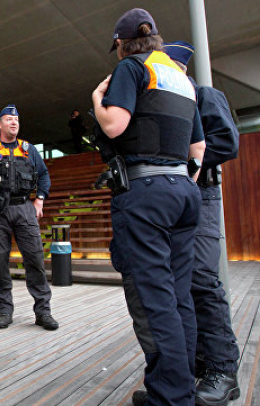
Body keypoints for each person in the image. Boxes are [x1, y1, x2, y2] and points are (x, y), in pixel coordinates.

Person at [91, 9, 206, 406]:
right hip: (184, 192)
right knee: (178, 297)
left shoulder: (131, 68)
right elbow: (199, 149)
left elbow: (115, 125)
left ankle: (170, 397)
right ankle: (180, 385)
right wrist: (177, 182)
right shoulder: (182, 79)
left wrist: (96, 100)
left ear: (122, 44)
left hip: (145, 193)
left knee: (153, 298)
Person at [165, 40, 241, 406]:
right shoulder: (165, 102)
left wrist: (186, 165)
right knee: (178, 284)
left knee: (200, 280)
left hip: (201, 194)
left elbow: (227, 142)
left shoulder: (204, 95)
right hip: (171, 199)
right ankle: (190, 368)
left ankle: (223, 371)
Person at [0, 104, 58, 331]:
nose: (13, 122)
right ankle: (5, 311)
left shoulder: (29, 149)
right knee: (0, 262)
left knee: (35, 260)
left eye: (16, 119)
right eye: (8, 119)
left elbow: (44, 176)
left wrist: (40, 199)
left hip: (24, 208)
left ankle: (43, 312)